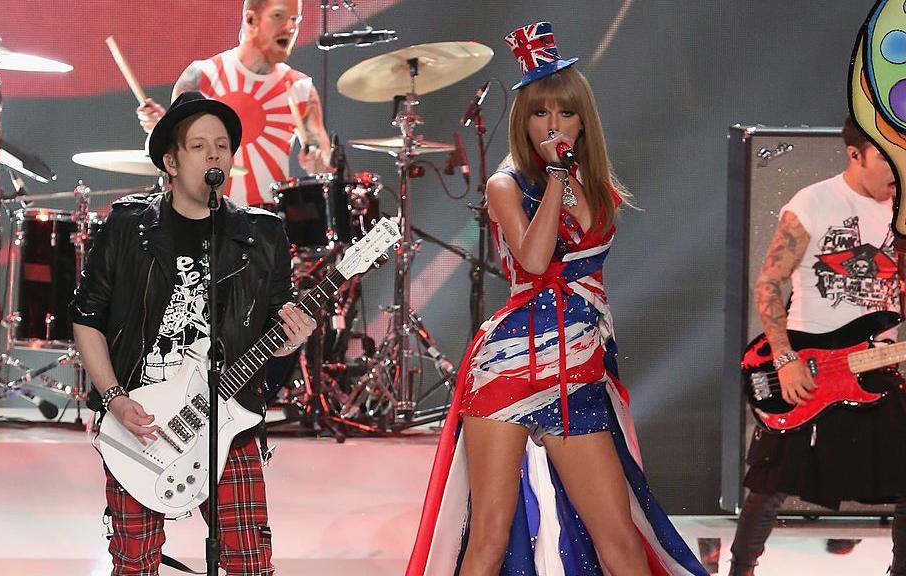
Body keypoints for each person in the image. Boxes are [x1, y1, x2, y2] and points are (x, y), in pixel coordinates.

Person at [405, 22, 708, 576]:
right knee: (490, 534)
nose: (553, 124)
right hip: (509, 366)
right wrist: (551, 180)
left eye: (564, 113)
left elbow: (590, 232)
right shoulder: (506, 184)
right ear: (524, 119)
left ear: (581, 119)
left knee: (617, 532)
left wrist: (567, 179)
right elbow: (536, 259)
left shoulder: (600, 188)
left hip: (578, 372)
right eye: (540, 113)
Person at [71, 91, 317, 575]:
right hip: (141, 420)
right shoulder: (128, 225)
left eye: (222, 146)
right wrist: (115, 399)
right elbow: (87, 317)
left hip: (231, 416)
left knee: (250, 561)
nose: (213, 156)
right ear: (171, 160)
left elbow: (274, 330)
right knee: (135, 561)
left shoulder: (262, 235)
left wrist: (293, 336)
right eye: (199, 146)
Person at [729, 117, 906, 576]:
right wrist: (786, 360)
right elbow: (770, 283)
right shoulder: (814, 202)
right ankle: (740, 569)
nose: (897, 167)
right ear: (856, 154)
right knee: (769, 486)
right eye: (887, 156)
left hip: (876, 365)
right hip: (808, 363)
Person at [137, 0, 331, 207]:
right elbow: (174, 154)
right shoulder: (201, 76)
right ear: (251, 19)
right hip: (208, 216)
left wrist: (319, 163)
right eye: (278, 16)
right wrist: (159, 129)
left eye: (295, 20)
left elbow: (323, 161)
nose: (290, 27)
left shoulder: (300, 87)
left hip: (268, 222)